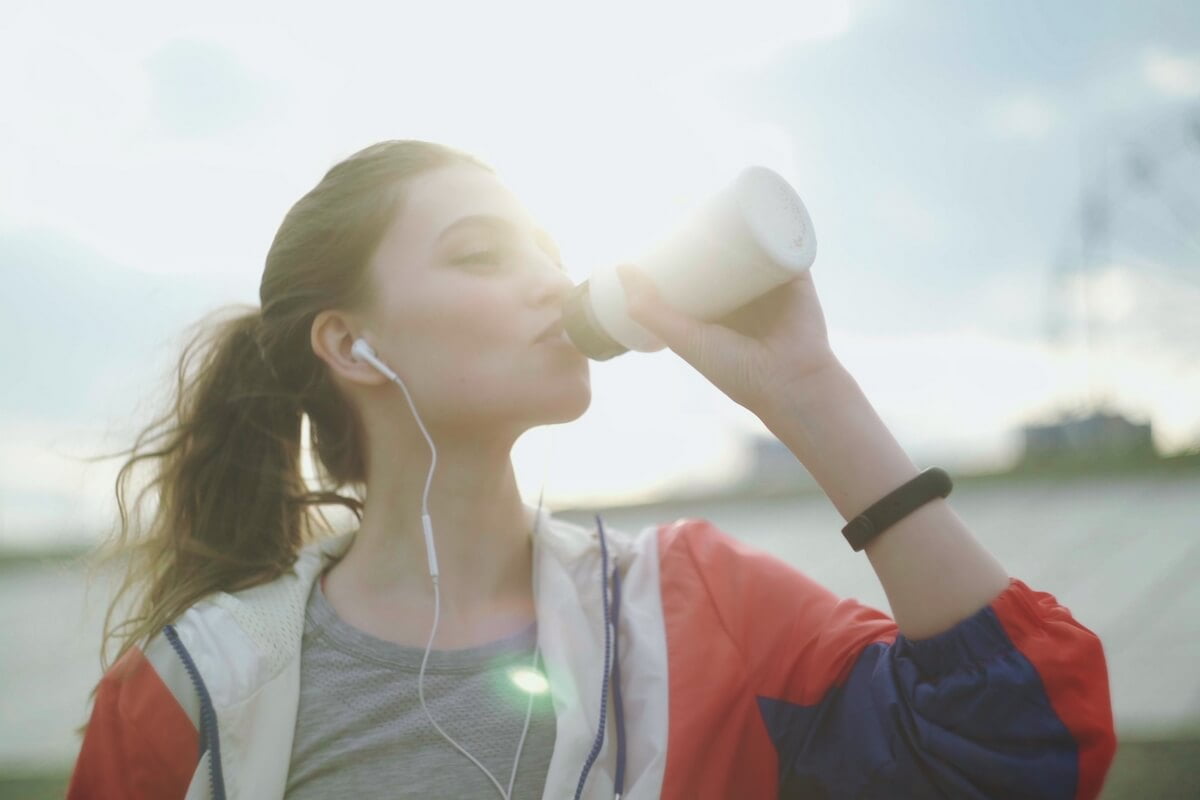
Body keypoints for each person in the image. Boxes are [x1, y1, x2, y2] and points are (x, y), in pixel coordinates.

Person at [67, 140, 1116, 799]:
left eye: (546, 249)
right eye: (484, 254)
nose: (549, 280)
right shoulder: (190, 688)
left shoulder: (697, 601)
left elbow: (1031, 750)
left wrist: (809, 387)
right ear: (351, 346)